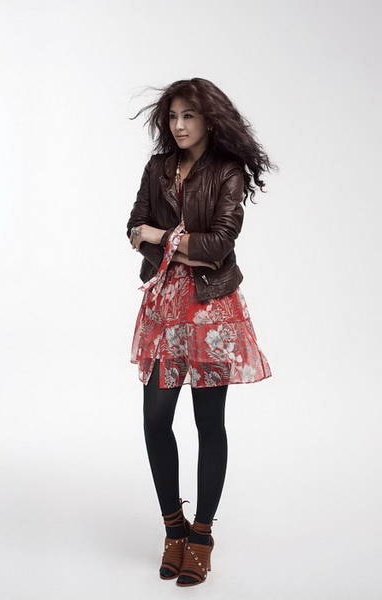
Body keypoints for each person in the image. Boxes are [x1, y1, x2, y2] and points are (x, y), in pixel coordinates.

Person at [126, 77, 277, 587]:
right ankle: (174, 527)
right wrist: (174, 244)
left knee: (209, 423)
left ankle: (202, 535)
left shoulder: (227, 171)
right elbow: (133, 227)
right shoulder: (158, 167)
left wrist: (162, 238)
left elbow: (218, 246)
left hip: (212, 311)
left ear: (209, 119)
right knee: (155, 419)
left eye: (188, 115)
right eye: (172, 116)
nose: (179, 125)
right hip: (164, 310)